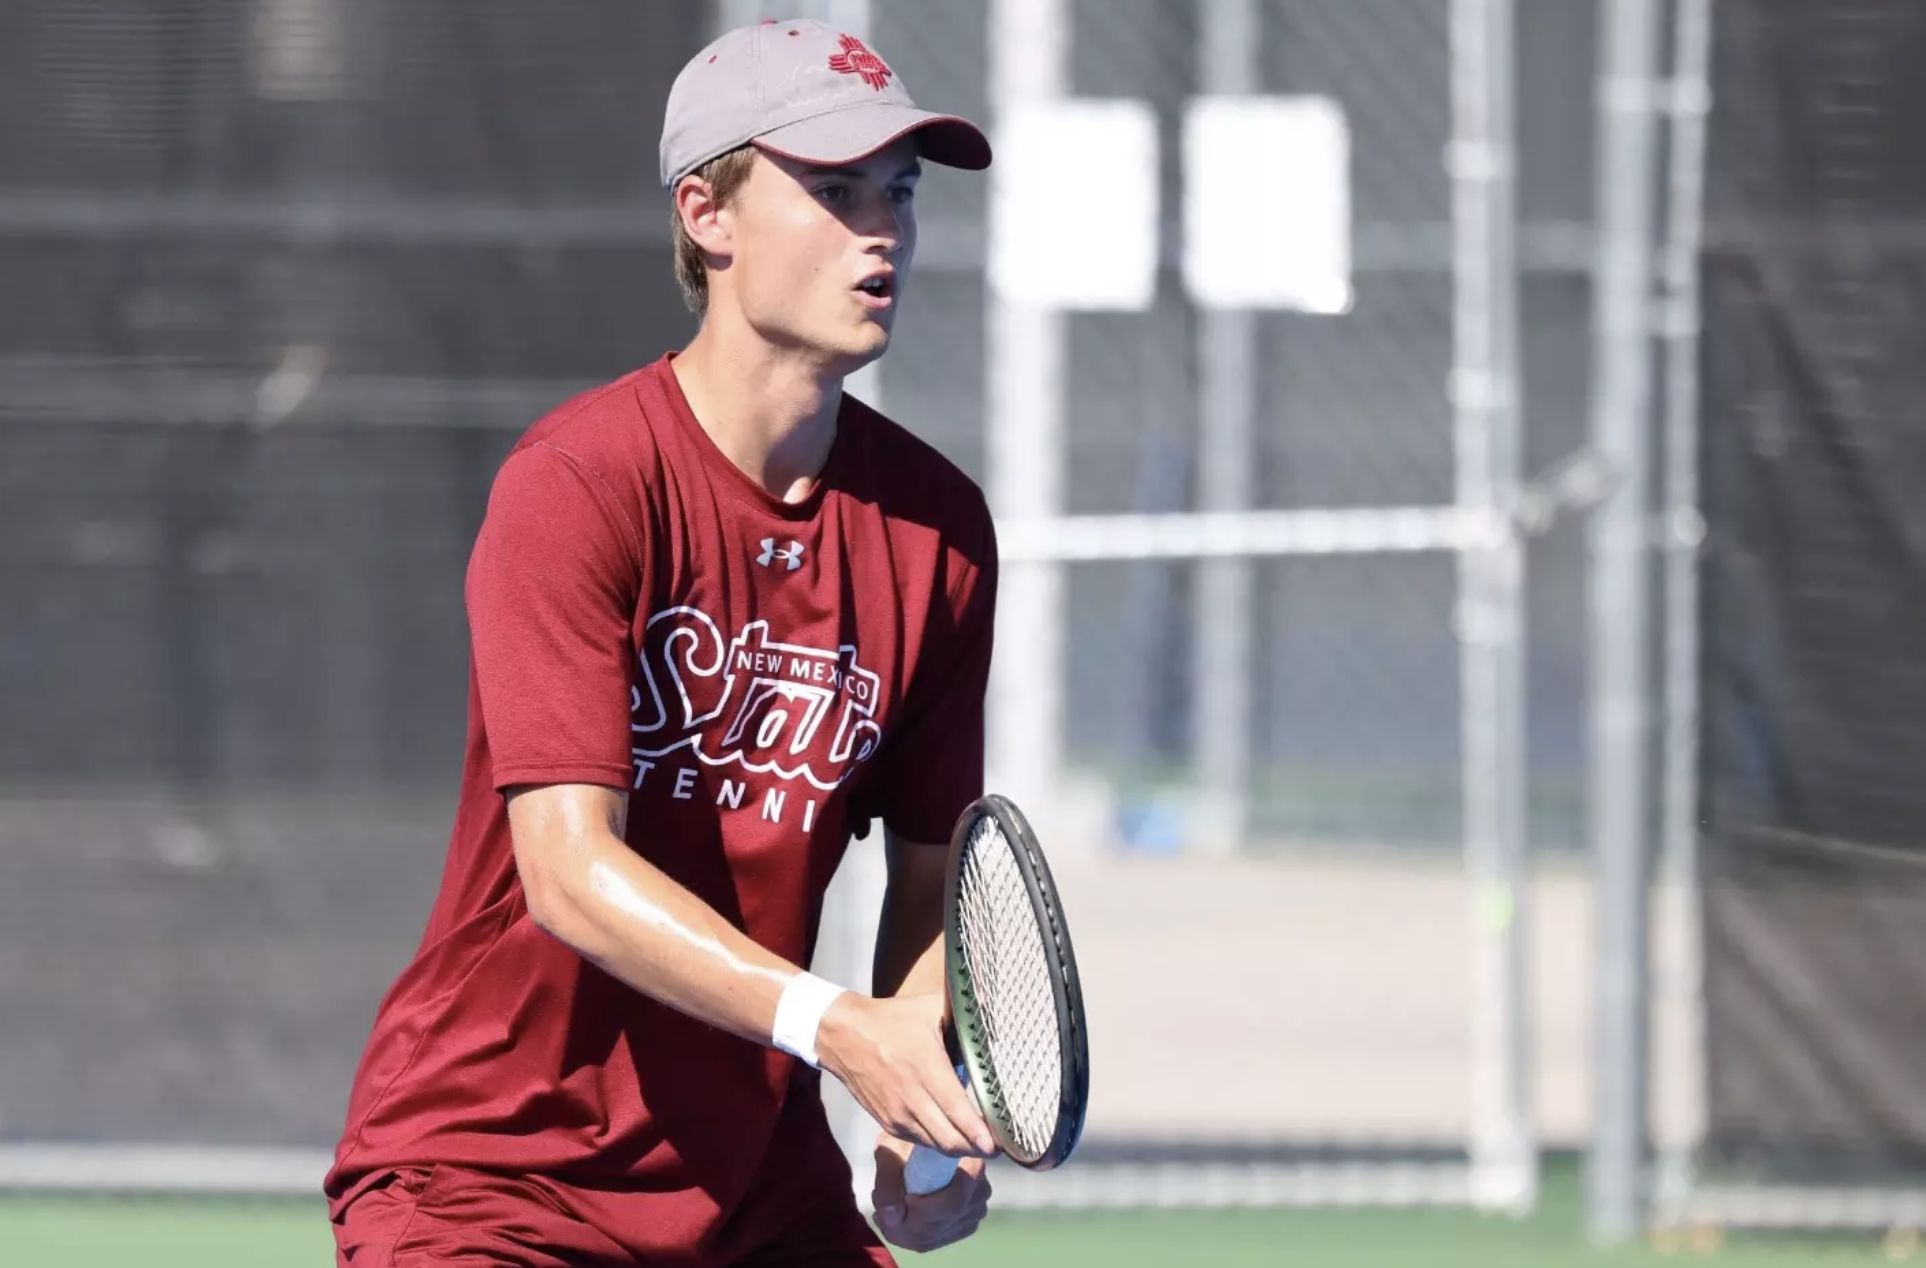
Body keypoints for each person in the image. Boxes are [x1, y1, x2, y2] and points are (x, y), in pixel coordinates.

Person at [326, 18, 1002, 1267]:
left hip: (758, 1193)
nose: (885, 231)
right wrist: (834, 1024)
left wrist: (915, 1103)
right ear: (709, 213)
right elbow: (570, 872)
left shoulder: (939, 532)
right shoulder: (577, 483)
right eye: (836, 189)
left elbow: (929, 873)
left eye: (899, 193)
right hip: (491, 1180)